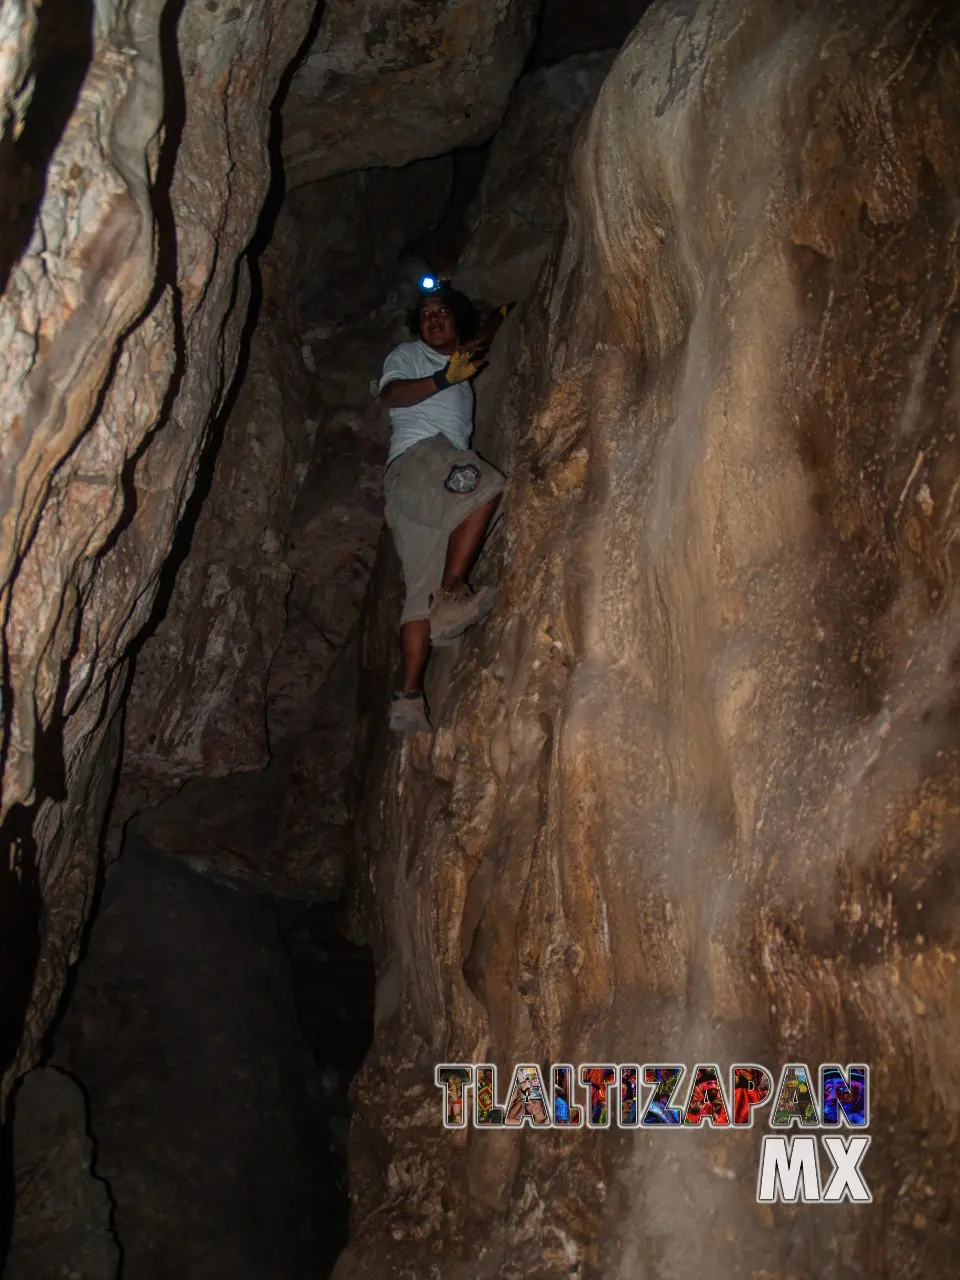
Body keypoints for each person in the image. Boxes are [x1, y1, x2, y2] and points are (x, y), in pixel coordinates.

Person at [379, 282, 509, 734]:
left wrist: (502, 311)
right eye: (426, 313)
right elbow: (391, 396)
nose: (433, 318)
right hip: (421, 459)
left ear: (458, 321)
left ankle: (408, 699)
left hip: (411, 495)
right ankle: (453, 595)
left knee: (419, 593)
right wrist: (443, 380)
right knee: (484, 484)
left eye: (443, 312)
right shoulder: (410, 356)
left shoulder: (461, 358)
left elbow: (482, 340)